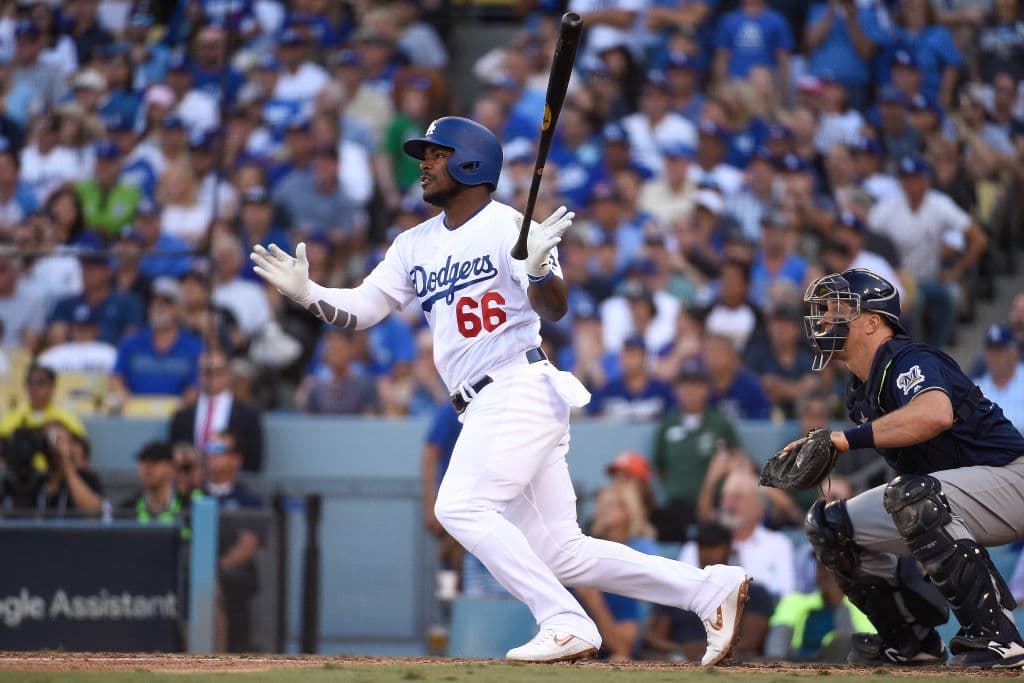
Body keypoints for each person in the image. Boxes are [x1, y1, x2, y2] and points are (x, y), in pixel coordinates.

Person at [250, 116, 750, 664]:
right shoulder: (413, 244)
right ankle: (708, 590)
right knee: (563, 552)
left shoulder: (510, 226)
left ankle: (563, 620)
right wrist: (309, 293)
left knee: (460, 506)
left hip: (517, 384)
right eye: (425, 154)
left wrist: (538, 272)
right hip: (489, 401)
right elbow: (364, 309)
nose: (424, 164)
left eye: (437, 153)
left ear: (470, 162)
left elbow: (554, 307)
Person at [796, 267, 1024, 667]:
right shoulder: (860, 389)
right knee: (830, 526)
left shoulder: (908, 358)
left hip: (1011, 479)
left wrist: (848, 440)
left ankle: (999, 637)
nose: (827, 316)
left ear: (872, 322)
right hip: (959, 497)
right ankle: (910, 639)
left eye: (839, 308)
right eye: (826, 308)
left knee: (913, 496)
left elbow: (936, 414)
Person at [645, 522, 776, 662]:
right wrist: (681, 649)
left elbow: (751, 642)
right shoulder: (678, 589)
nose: (706, 553)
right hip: (679, 659)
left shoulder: (752, 592)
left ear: (729, 550)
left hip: (731, 661)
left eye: (713, 547)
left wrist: (710, 650)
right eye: (702, 547)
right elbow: (654, 636)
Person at [575, 482, 660, 661]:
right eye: (599, 504)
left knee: (620, 656)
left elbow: (624, 646)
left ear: (628, 511)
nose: (602, 510)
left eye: (610, 505)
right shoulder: (587, 550)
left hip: (627, 627)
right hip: (583, 640)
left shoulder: (641, 547)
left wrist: (593, 599)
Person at [203, 432, 263, 653]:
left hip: (234, 584)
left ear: (236, 459)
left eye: (219, 450)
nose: (212, 456)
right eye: (209, 449)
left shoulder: (248, 500)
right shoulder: (194, 494)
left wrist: (214, 570)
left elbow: (249, 544)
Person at [169, 348, 264, 472]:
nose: (213, 377)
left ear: (229, 374)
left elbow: (254, 459)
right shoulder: (182, 416)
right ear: (199, 375)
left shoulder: (248, 415)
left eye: (219, 372)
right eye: (207, 372)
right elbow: (174, 456)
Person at [765, 560, 876, 662]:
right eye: (822, 568)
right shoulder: (795, 600)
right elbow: (779, 635)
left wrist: (839, 603)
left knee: (844, 641)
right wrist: (777, 662)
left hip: (839, 664)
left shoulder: (864, 606)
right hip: (798, 661)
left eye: (835, 570)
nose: (828, 574)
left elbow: (863, 649)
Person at [976, 325, 1024, 434]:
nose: (993, 357)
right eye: (990, 351)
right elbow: (959, 420)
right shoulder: (976, 389)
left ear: (1014, 353)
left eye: (999, 351)